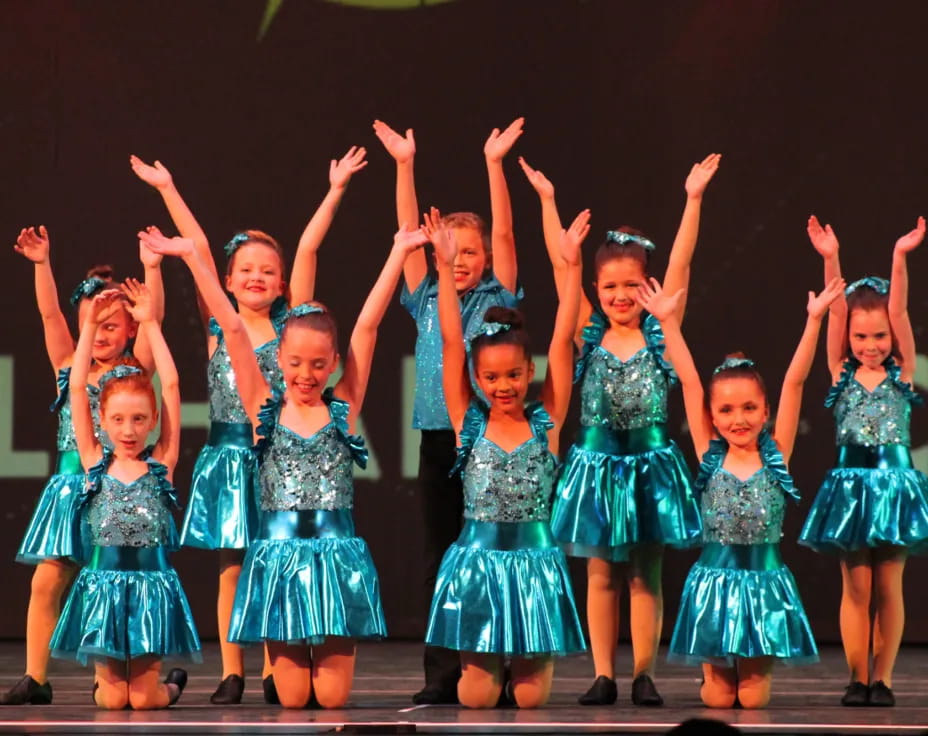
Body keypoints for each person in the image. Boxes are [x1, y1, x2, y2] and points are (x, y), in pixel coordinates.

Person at [140, 220, 428, 708]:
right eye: (294, 363)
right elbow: (230, 326)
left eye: (318, 365)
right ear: (280, 360)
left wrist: (398, 253)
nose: (305, 375)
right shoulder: (263, 410)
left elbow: (368, 326)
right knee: (293, 700)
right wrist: (192, 256)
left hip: (335, 561)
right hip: (280, 562)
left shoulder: (344, 408)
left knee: (332, 700)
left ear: (333, 362)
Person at [130, 148, 366, 703]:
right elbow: (200, 254)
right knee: (233, 564)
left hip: (278, 459)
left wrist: (334, 190)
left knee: (273, 560)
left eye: (268, 271)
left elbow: (308, 247)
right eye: (247, 271)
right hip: (227, 456)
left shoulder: (291, 327)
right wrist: (168, 188)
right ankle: (232, 669)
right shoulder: (221, 326)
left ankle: (270, 665)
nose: (256, 277)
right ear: (231, 282)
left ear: (283, 284)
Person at [520, 154, 719, 705]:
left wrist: (693, 199)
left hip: (651, 466)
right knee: (602, 574)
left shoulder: (659, 329)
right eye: (610, 286)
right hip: (598, 465)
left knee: (645, 574)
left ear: (646, 286)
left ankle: (645, 674)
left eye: (632, 286)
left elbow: (681, 264)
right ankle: (604, 673)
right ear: (598, 287)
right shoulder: (588, 329)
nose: (621, 296)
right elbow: (564, 270)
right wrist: (548, 204)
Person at [373, 118, 524, 704]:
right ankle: (441, 673)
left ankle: (503, 667)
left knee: (494, 554)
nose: (459, 259)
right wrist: (405, 166)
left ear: (487, 258)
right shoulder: (427, 295)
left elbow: (508, 233)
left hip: (492, 442)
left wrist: (494, 165)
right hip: (440, 439)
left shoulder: (497, 297)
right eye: (450, 250)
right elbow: (408, 231)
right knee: (442, 557)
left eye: (471, 252)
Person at [639, 276, 842, 708]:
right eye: (727, 410)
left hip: (764, 587)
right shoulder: (709, 456)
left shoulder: (777, 456)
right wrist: (668, 324)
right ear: (712, 417)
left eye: (750, 408)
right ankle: (710, 677)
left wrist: (814, 320)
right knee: (717, 700)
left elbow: (795, 382)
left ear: (766, 411)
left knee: (752, 702)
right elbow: (691, 383)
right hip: (715, 585)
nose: (739, 419)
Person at [423, 208, 588, 708]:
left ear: (528, 370)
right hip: (479, 566)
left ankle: (527, 659)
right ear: (477, 378)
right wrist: (445, 269)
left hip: (534, 567)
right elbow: (453, 340)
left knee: (531, 701)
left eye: (513, 376)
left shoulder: (547, 421)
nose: (503, 387)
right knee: (475, 699)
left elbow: (564, 337)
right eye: (491, 378)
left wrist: (573, 268)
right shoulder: (468, 422)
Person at [1, 226, 163, 706]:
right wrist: (41, 264)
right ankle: (36, 677)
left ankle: (107, 676)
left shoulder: (135, 372)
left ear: (129, 329)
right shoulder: (67, 367)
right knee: (46, 579)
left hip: (113, 493)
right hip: (70, 488)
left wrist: (152, 271)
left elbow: (156, 322)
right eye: (95, 325)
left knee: (102, 581)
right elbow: (50, 312)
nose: (103, 335)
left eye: (113, 326)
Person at [50, 280, 199, 709]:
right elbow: (77, 387)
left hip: (151, 587)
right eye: (119, 419)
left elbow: (170, 385)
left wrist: (150, 323)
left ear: (153, 420)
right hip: (102, 587)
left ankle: (167, 688)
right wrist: (89, 328)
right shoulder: (95, 459)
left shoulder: (161, 463)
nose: (129, 430)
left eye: (139, 419)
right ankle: (118, 684)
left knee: (145, 700)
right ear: (103, 420)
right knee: (114, 703)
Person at [799, 216, 928, 707]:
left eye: (878, 337)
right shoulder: (839, 372)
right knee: (857, 587)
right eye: (861, 338)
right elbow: (835, 316)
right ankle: (856, 676)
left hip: (894, 486)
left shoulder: (903, 371)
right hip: (851, 490)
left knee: (889, 586)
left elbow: (899, 310)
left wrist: (899, 255)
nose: (870, 345)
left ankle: (885, 678)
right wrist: (830, 258)